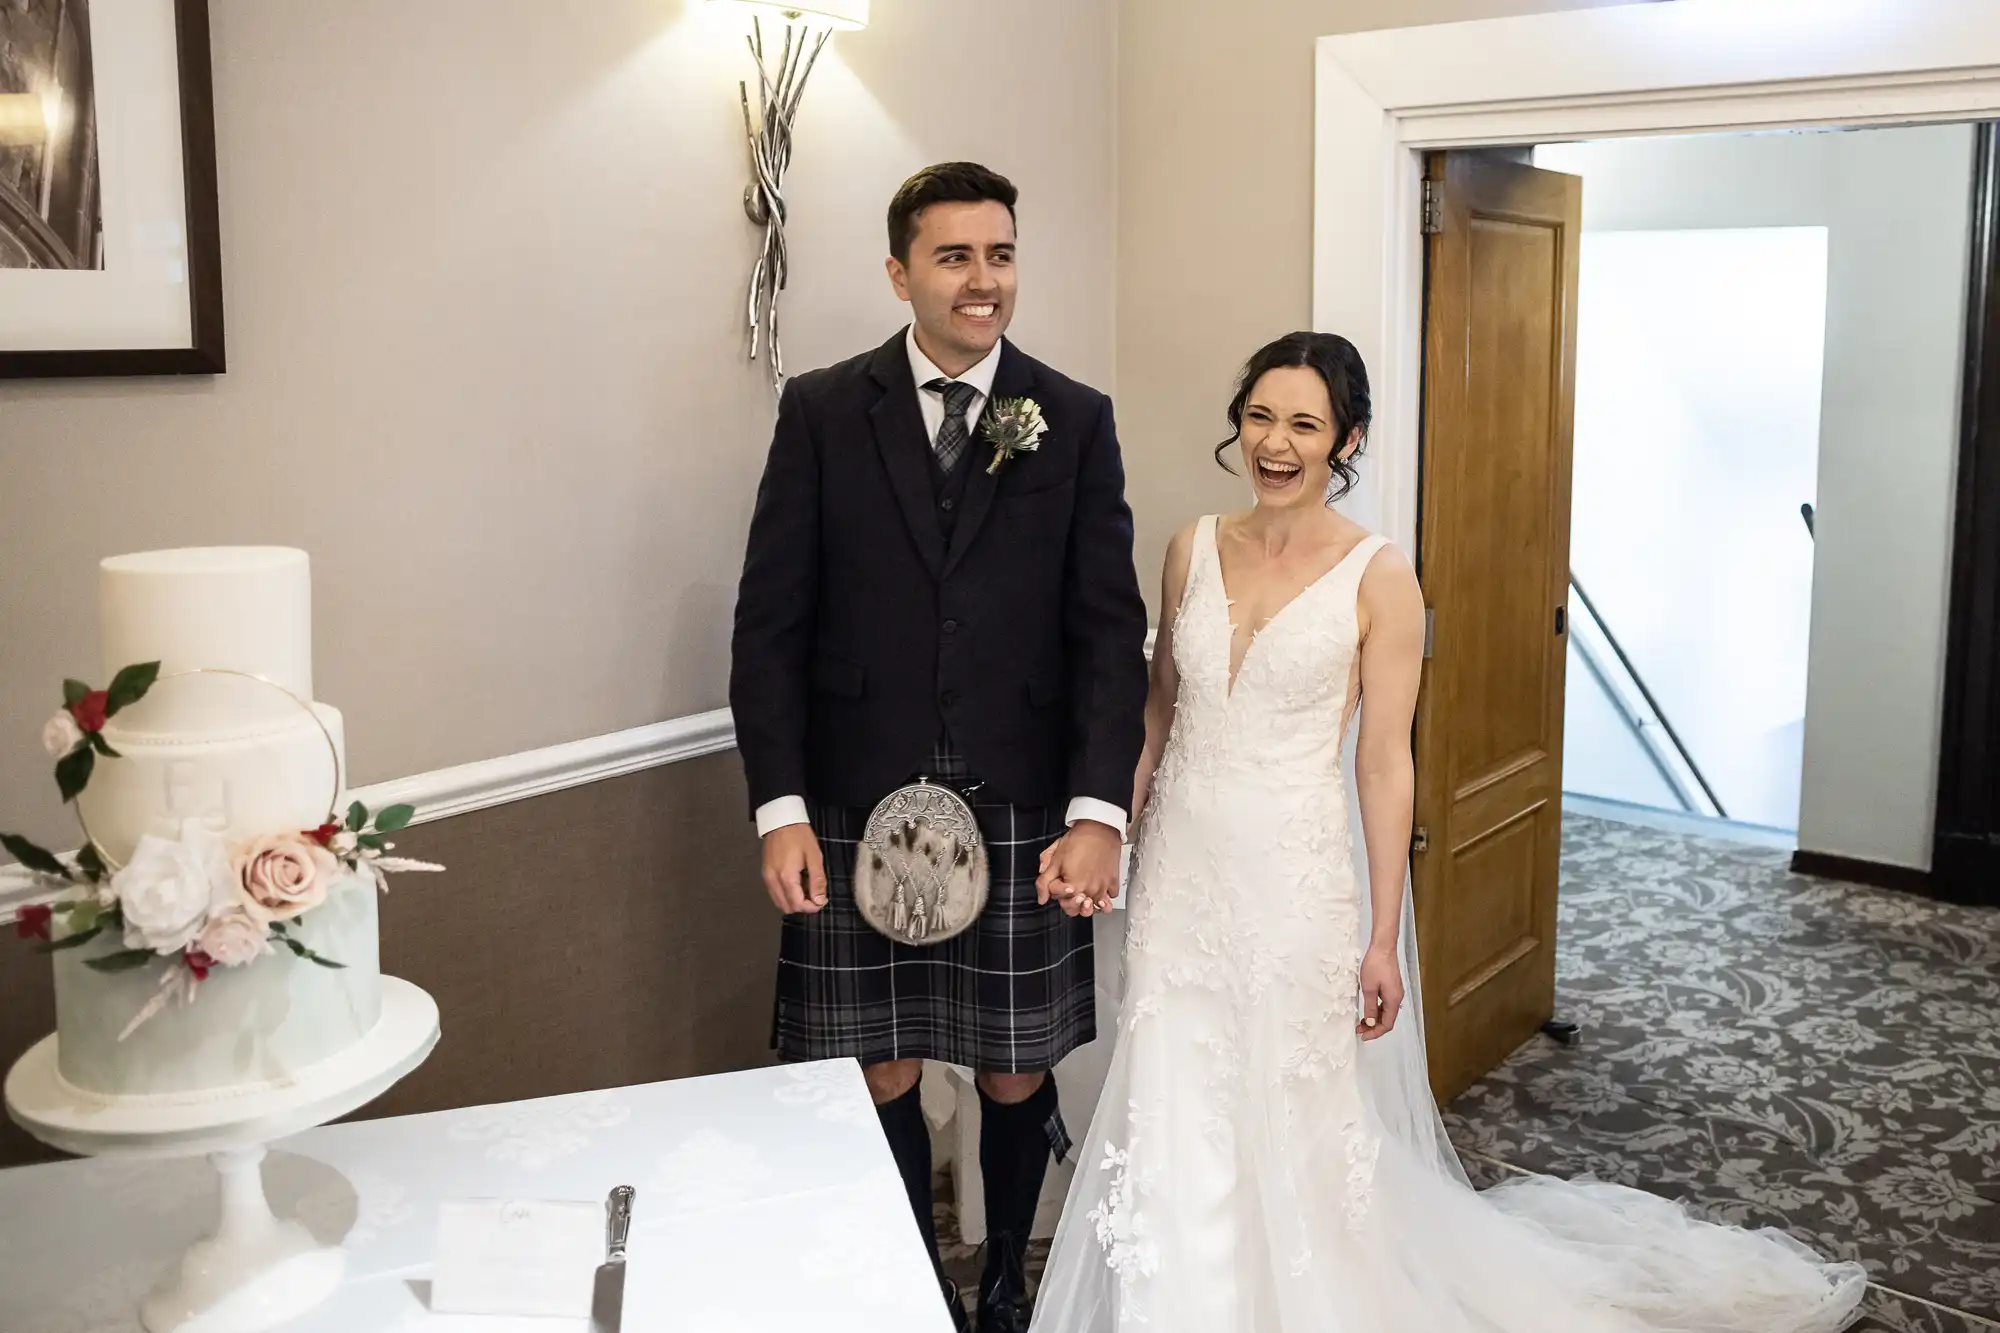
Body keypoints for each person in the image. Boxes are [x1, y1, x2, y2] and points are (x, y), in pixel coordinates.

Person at [1028, 331, 1867, 1332]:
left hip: (1296, 883)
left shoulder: (1379, 577)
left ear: (1347, 439)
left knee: (1289, 1111)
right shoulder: (1189, 546)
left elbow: (1385, 762)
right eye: (1259, 416)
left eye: (1303, 423)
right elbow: (1158, 713)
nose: (1275, 442)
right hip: (1182, 869)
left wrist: (1381, 934)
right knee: (1172, 1092)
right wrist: (1109, 828)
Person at [728, 162, 1149, 1332]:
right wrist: (781, 810)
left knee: (1016, 1065)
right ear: (899, 270)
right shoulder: (821, 409)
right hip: (859, 801)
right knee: (881, 1066)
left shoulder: (1071, 417)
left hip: (1019, 800)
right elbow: (769, 628)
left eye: (1000, 254)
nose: (982, 280)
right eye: (955, 256)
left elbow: (1107, 639)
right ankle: (911, 1269)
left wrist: (1094, 810)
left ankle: (1007, 1276)